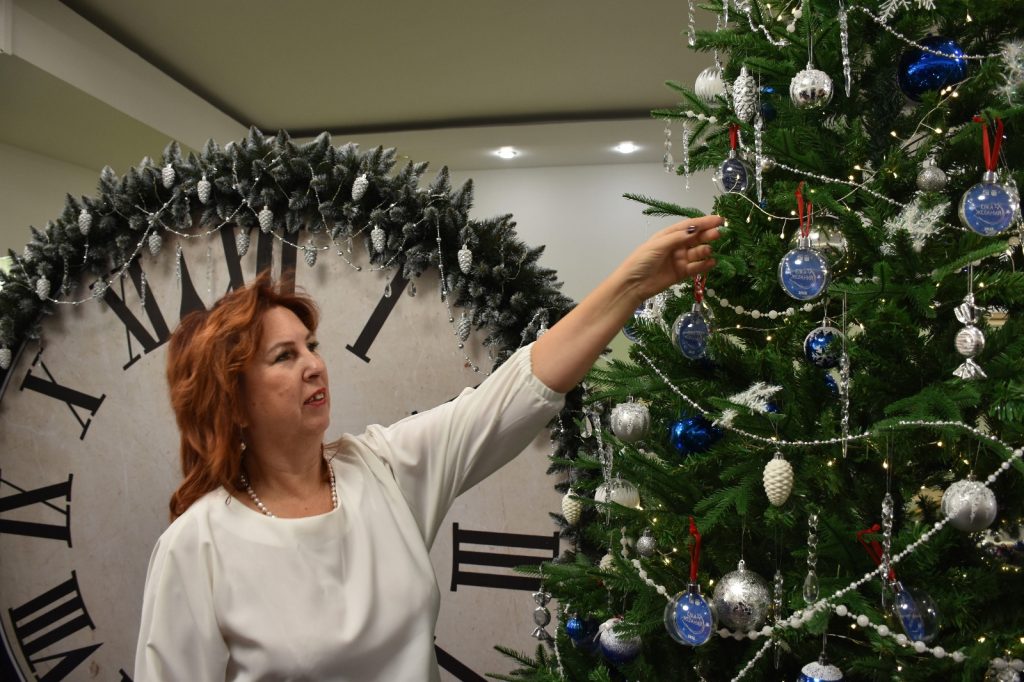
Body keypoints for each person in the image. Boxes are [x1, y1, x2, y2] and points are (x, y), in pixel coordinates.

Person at [133, 215, 722, 681]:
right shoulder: (197, 546)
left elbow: (515, 392)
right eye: (284, 356)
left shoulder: (381, 469)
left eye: (311, 346)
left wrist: (632, 283)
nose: (314, 365)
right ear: (234, 402)